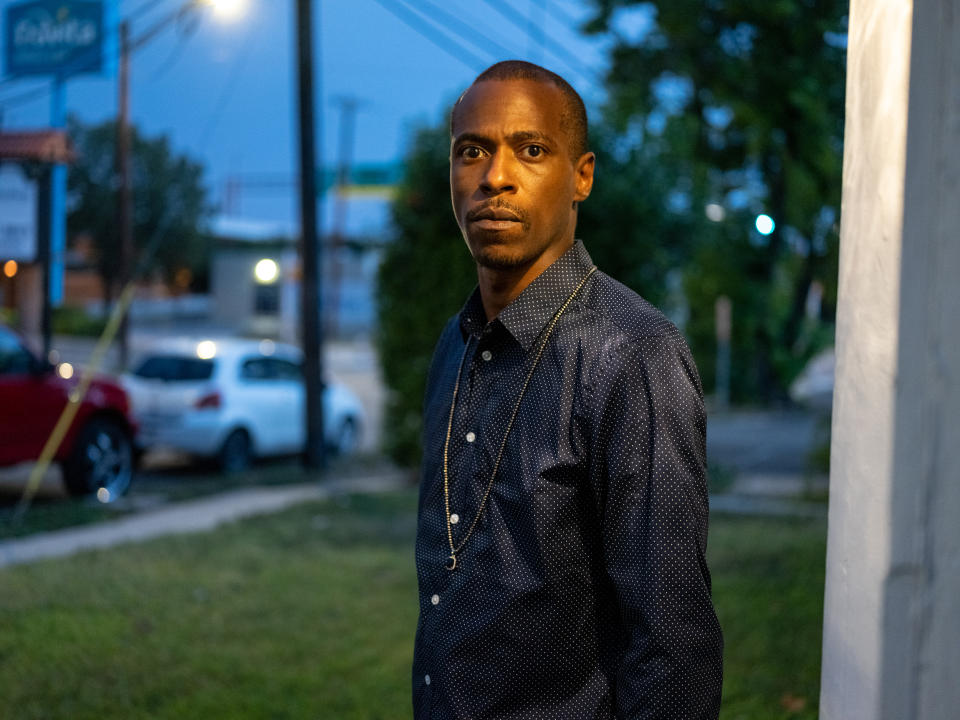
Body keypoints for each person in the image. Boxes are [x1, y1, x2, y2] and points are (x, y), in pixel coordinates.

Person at [412, 60, 723, 720]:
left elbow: (671, 648)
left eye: (530, 150)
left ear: (581, 176)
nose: (495, 177)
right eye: (472, 151)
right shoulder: (454, 345)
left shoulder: (632, 354)